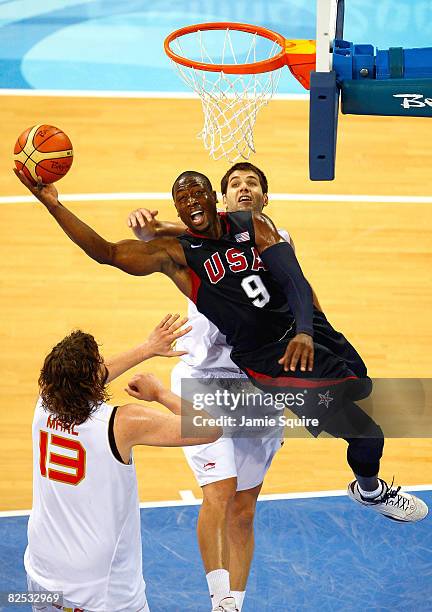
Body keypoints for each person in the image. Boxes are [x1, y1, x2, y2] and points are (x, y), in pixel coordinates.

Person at [15, 166, 428, 611]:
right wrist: (53, 204)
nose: (191, 201)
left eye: (197, 193)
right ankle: (223, 600)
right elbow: (108, 253)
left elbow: (294, 280)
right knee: (223, 492)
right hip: (265, 363)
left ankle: (367, 489)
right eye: (181, 198)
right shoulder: (176, 254)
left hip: (304, 336)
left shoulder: (257, 225)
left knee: (366, 415)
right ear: (177, 209)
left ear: (214, 197)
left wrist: (308, 331)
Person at [127, 162, 297, 612]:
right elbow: (160, 242)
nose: (244, 189)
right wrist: (150, 229)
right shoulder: (192, 241)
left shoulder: (275, 243)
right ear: (220, 200)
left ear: (265, 198)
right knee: (219, 493)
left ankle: (234, 604)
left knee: (244, 507)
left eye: (253, 184)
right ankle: (218, 598)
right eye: (235, 185)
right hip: (205, 380)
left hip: (257, 387)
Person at [25, 314, 221, 612]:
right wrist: (161, 393)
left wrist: (148, 348)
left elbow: (83, 379)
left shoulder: (45, 402)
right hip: (101, 592)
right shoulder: (122, 423)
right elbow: (209, 428)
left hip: (40, 575)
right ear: (94, 378)